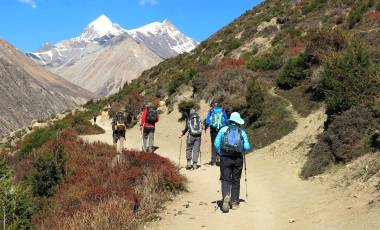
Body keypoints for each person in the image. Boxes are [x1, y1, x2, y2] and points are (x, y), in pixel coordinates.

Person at [214, 112, 251, 213]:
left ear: (230, 120)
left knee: (225, 179)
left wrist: (220, 152)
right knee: (236, 180)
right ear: (238, 122)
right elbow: (247, 147)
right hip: (238, 159)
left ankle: (226, 195)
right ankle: (234, 202)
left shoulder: (223, 130)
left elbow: (216, 144)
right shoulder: (242, 132)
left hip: (225, 158)